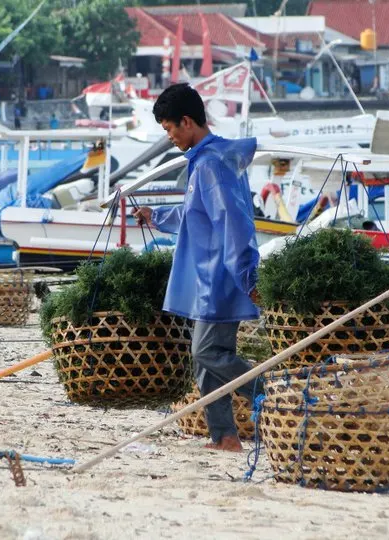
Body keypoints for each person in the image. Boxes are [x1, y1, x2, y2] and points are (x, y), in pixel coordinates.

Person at [133, 83, 261, 452]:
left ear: (188, 122)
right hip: (206, 278)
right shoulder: (207, 162)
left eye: (170, 129)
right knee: (204, 363)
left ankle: (275, 393)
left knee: (208, 354)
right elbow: (196, 215)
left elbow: (234, 224)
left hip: (221, 277)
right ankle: (224, 437)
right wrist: (155, 215)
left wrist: (247, 276)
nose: (170, 137)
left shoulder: (212, 165)